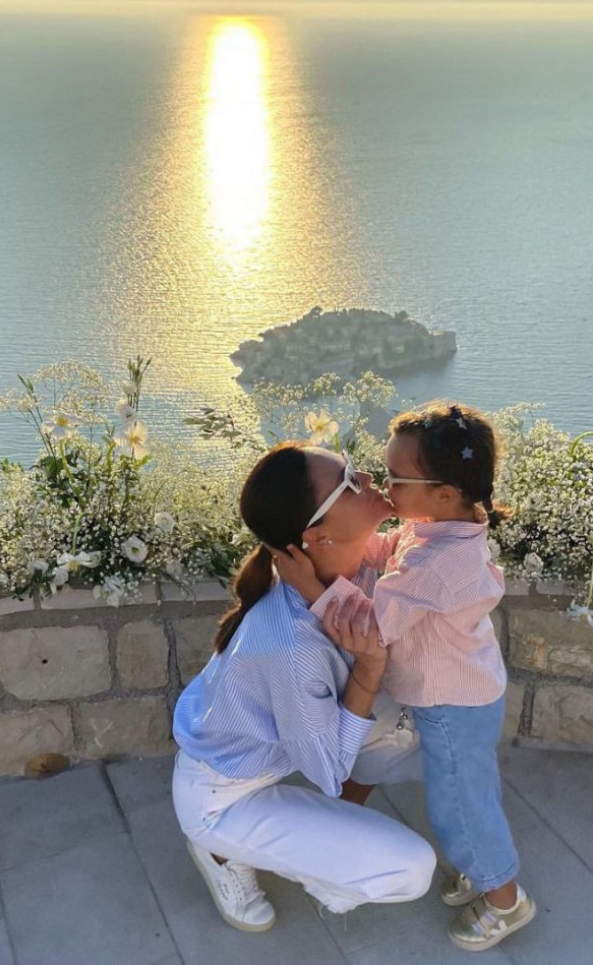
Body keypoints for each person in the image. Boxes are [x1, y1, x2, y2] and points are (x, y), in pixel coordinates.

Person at [275, 402, 535, 953]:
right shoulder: (438, 529)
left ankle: (504, 898)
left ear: (443, 493)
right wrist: (343, 539)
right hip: (462, 691)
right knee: (465, 793)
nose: (384, 483)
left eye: (396, 478)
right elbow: (390, 553)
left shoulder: (438, 563)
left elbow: (374, 627)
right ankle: (479, 867)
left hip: (452, 705)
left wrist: (312, 588)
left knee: (459, 806)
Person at [171, 442, 436, 932]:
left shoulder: (347, 568)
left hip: (265, 747)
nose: (368, 479)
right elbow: (328, 769)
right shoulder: (291, 646)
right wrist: (369, 668)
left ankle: (320, 835)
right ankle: (221, 851)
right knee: (411, 868)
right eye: (350, 481)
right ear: (318, 535)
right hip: (222, 799)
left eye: (354, 466)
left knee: (421, 727)